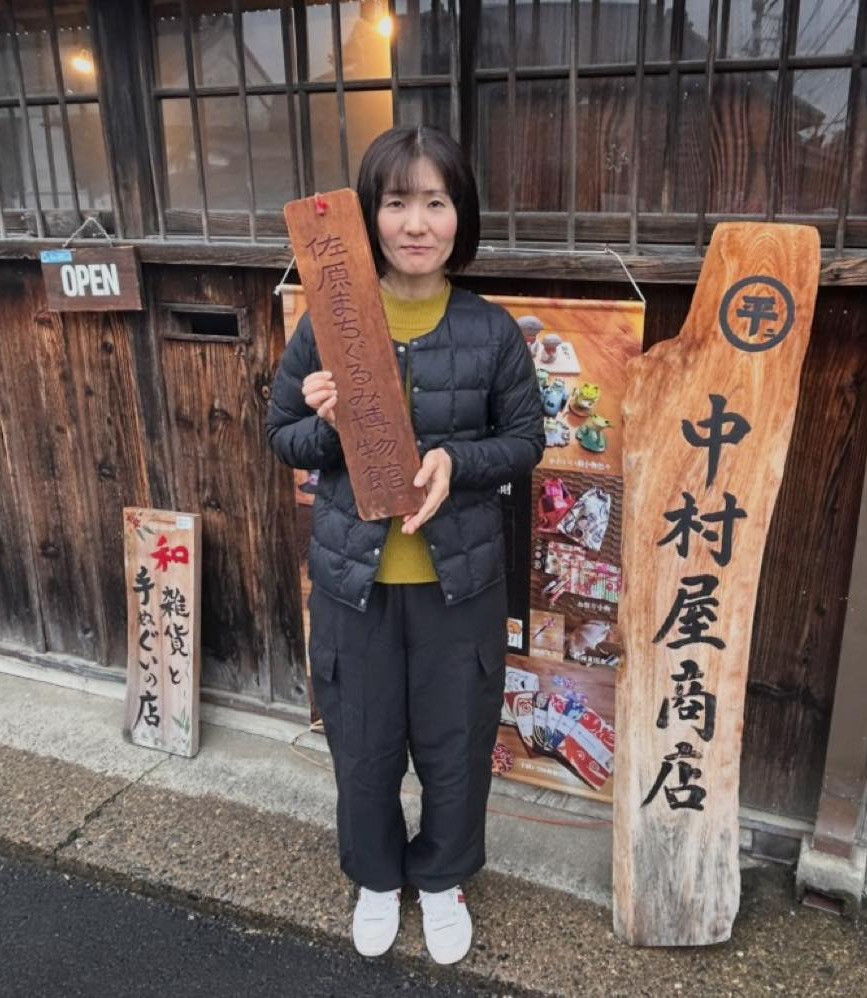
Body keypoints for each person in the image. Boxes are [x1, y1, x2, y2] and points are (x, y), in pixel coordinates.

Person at [265, 124, 543, 965]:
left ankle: (442, 879)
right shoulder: (328, 319)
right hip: (358, 582)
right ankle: (378, 878)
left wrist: (456, 461)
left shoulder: (491, 331)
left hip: (458, 582)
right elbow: (281, 439)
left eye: (435, 202)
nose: (416, 222)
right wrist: (316, 418)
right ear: (367, 216)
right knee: (363, 739)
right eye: (396, 203)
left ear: (461, 216)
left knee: (457, 744)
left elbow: (525, 441)